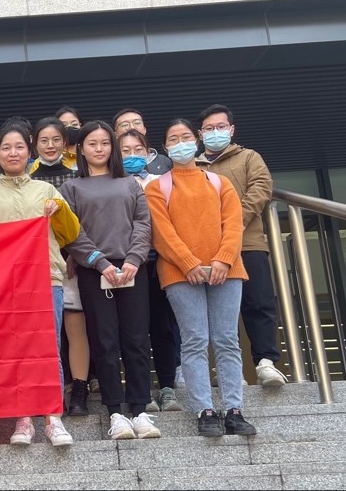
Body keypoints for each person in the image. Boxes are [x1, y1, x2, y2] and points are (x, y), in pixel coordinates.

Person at [146, 119, 258, 437]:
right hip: (179, 273)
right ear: (165, 147)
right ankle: (204, 410)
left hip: (227, 270)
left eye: (185, 137)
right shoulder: (157, 187)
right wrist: (188, 263)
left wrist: (223, 260)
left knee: (227, 340)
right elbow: (162, 233)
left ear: (196, 140)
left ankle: (234, 409)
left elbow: (233, 225)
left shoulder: (220, 183)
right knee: (194, 340)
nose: (180, 143)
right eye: (173, 139)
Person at [0, 123, 81, 448]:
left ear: (28, 152)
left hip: (47, 278)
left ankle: (52, 418)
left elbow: (70, 234)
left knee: (49, 349)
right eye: (6, 148)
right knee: (14, 351)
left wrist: (59, 211)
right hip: (6, 285)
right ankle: (23, 419)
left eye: (19, 147)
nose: (13, 153)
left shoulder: (46, 191)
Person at [60, 121, 159, 441]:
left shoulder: (130, 183)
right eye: (92, 143)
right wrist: (100, 263)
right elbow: (72, 232)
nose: (99, 149)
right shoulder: (71, 187)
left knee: (136, 339)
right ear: (81, 149)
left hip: (132, 269)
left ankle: (140, 409)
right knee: (104, 341)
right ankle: (115, 411)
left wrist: (134, 259)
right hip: (93, 272)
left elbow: (143, 223)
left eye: (105, 143)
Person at [196, 104, 287, 388]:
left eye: (221, 127)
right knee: (218, 313)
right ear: (200, 134)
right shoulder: (192, 166)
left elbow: (261, 188)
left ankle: (266, 362)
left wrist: (232, 223)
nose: (215, 132)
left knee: (258, 303)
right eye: (209, 128)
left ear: (232, 129)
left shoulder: (248, 157)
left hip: (247, 244)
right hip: (208, 250)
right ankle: (227, 370)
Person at [28, 118, 89, 417]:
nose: (50, 146)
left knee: (75, 327)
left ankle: (79, 390)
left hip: (72, 263)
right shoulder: (27, 178)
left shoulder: (77, 176)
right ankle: (51, 391)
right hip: (35, 267)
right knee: (44, 333)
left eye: (56, 140)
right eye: (44, 140)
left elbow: (82, 224)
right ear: (34, 143)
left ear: (65, 143)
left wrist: (75, 256)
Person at [120, 129, 182, 414]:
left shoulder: (161, 182)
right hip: (128, 264)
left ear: (148, 153)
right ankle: (142, 390)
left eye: (138, 150)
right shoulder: (113, 182)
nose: (132, 155)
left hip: (160, 262)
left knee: (163, 327)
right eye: (125, 151)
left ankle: (167, 387)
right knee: (134, 331)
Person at [112, 109, 173, 175]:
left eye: (137, 123)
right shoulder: (108, 164)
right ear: (115, 135)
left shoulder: (164, 161)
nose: (132, 127)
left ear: (144, 129)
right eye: (124, 125)